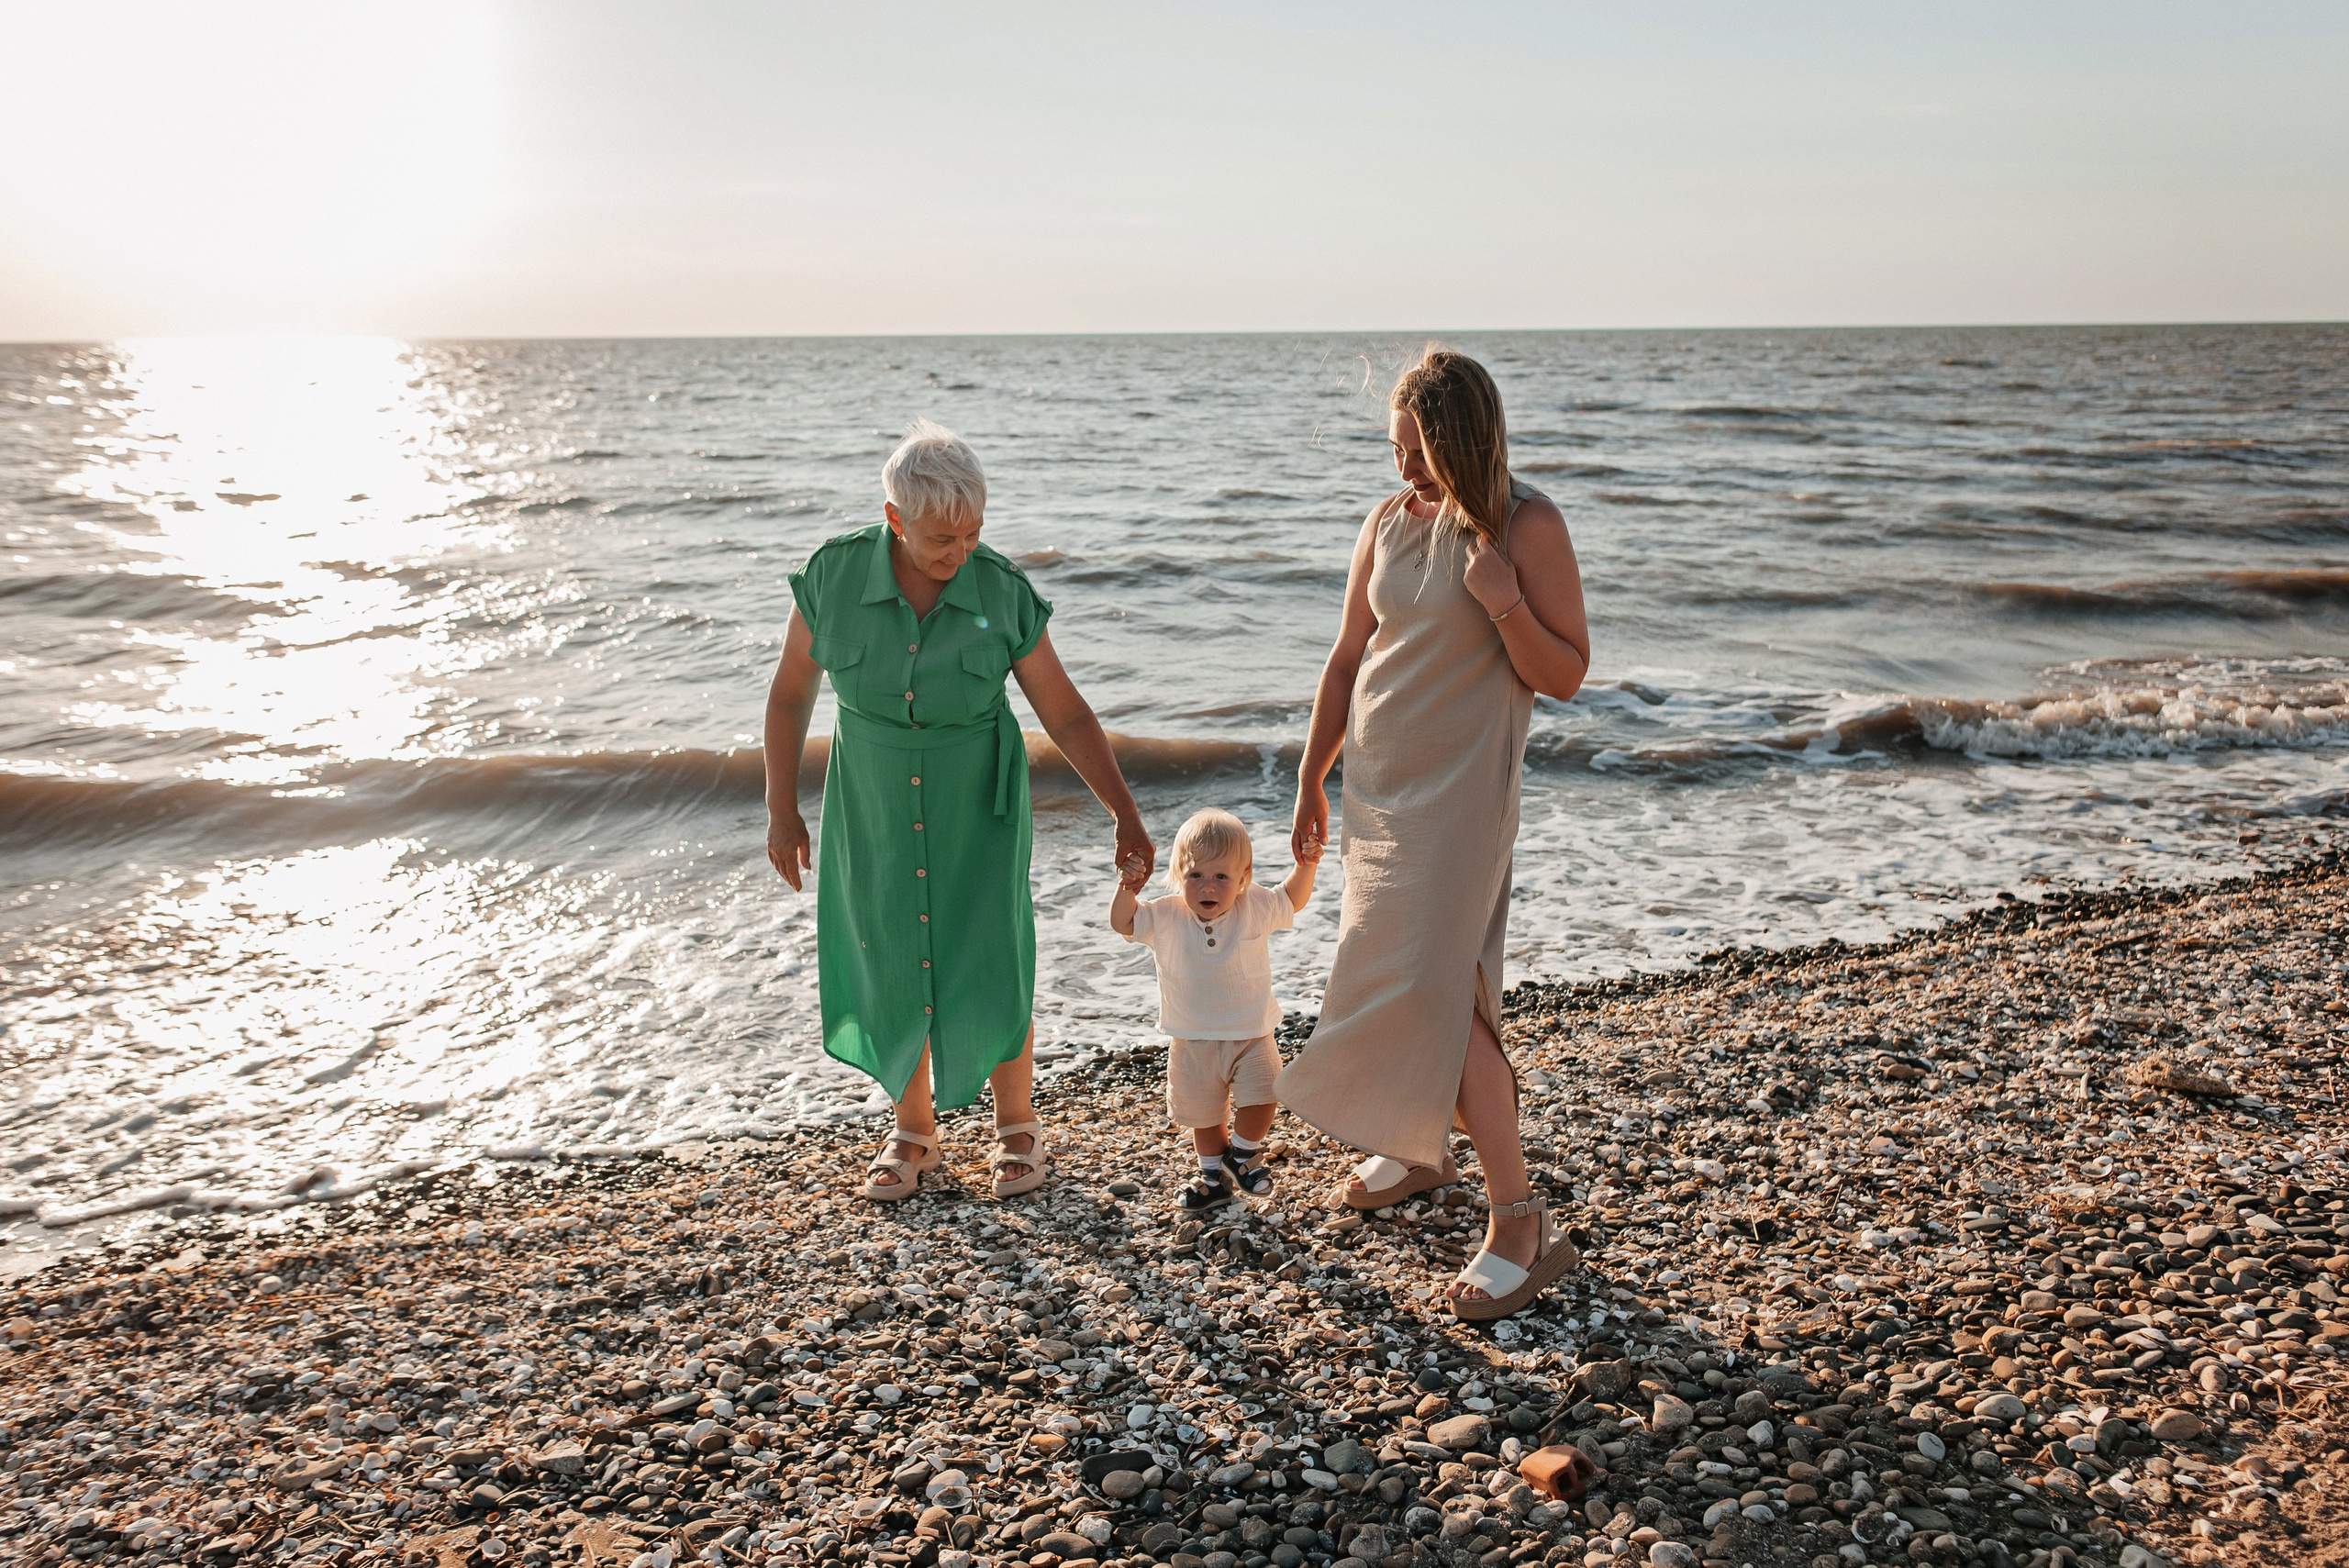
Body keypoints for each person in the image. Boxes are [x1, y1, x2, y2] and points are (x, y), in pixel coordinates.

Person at [1277, 347, 1592, 1321]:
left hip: (1461, 795)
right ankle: (1420, 1147)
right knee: (1384, 970)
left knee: (1442, 992)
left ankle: (1520, 1218)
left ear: (1464, 440)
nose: (1404, 469)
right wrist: (1310, 774)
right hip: (1381, 788)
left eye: (1419, 451)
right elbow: (1345, 660)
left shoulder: (1524, 524)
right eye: (1394, 449)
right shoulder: (1383, 522)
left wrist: (1501, 598)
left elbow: (1567, 670)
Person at [763, 419, 1153, 1202]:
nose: (960, 552)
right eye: (943, 538)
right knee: (886, 951)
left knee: (990, 954)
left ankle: (1018, 1129)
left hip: (978, 799)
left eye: (974, 533)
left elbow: (1066, 714)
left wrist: (1124, 810)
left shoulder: (1001, 590)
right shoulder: (833, 579)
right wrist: (781, 808)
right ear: (894, 518)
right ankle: (913, 1133)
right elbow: (789, 695)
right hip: (870, 799)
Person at [1112, 808, 1321, 1212]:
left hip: (1252, 1034)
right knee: (1205, 1118)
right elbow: (1122, 922)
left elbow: (1293, 898)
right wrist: (1128, 888)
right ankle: (1214, 1180)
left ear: (1242, 879)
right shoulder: (1165, 915)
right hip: (1192, 1040)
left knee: (1265, 1095)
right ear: (1178, 876)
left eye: (1221, 876)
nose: (1208, 886)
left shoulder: (1255, 905)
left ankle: (1242, 1154)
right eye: (1196, 876)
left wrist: (1305, 865)